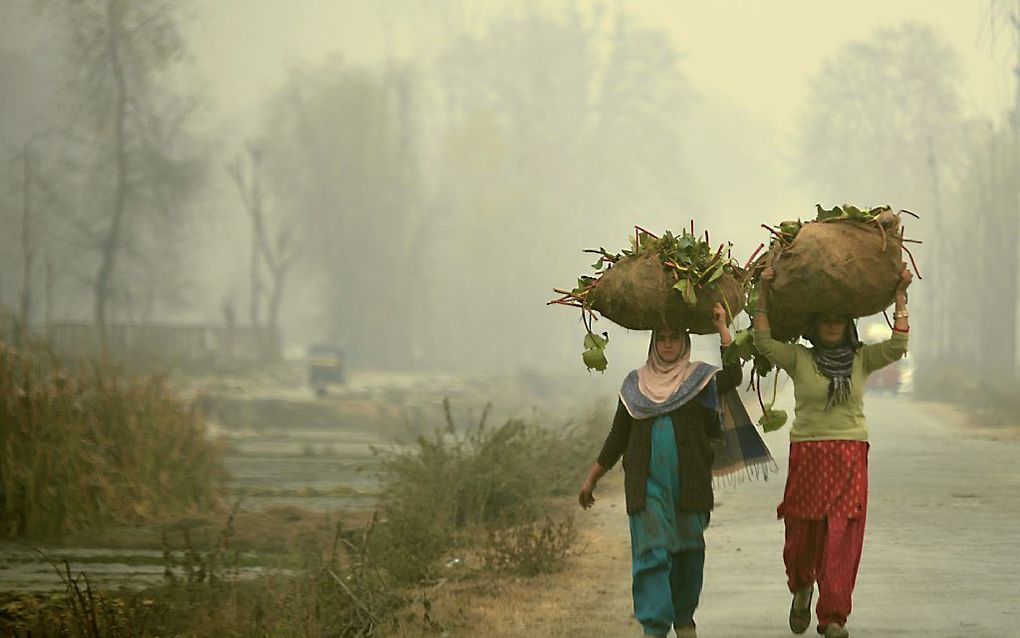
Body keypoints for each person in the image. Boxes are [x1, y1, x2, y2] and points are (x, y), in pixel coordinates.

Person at [753, 265, 913, 638]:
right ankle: (802, 585)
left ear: (848, 325)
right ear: (814, 326)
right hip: (808, 454)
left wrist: (901, 298)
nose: (831, 326)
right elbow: (763, 343)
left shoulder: (862, 359)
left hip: (849, 454)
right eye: (824, 320)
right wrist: (763, 291)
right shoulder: (799, 358)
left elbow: (898, 346)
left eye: (838, 320)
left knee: (842, 534)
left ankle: (834, 617)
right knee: (802, 534)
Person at [577, 303, 741, 638]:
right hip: (646, 485)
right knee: (652, 554)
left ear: (685, 342)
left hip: (689, 485)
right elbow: (617, 436)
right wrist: (592, 477)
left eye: (675, 338)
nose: (668, 344)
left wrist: (723, 326)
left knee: (688, 553)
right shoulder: (635, 385)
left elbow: (735, 375)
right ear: (653, 343)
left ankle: (684, 620)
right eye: (662, 338)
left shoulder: (700, 380)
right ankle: (654, 628)